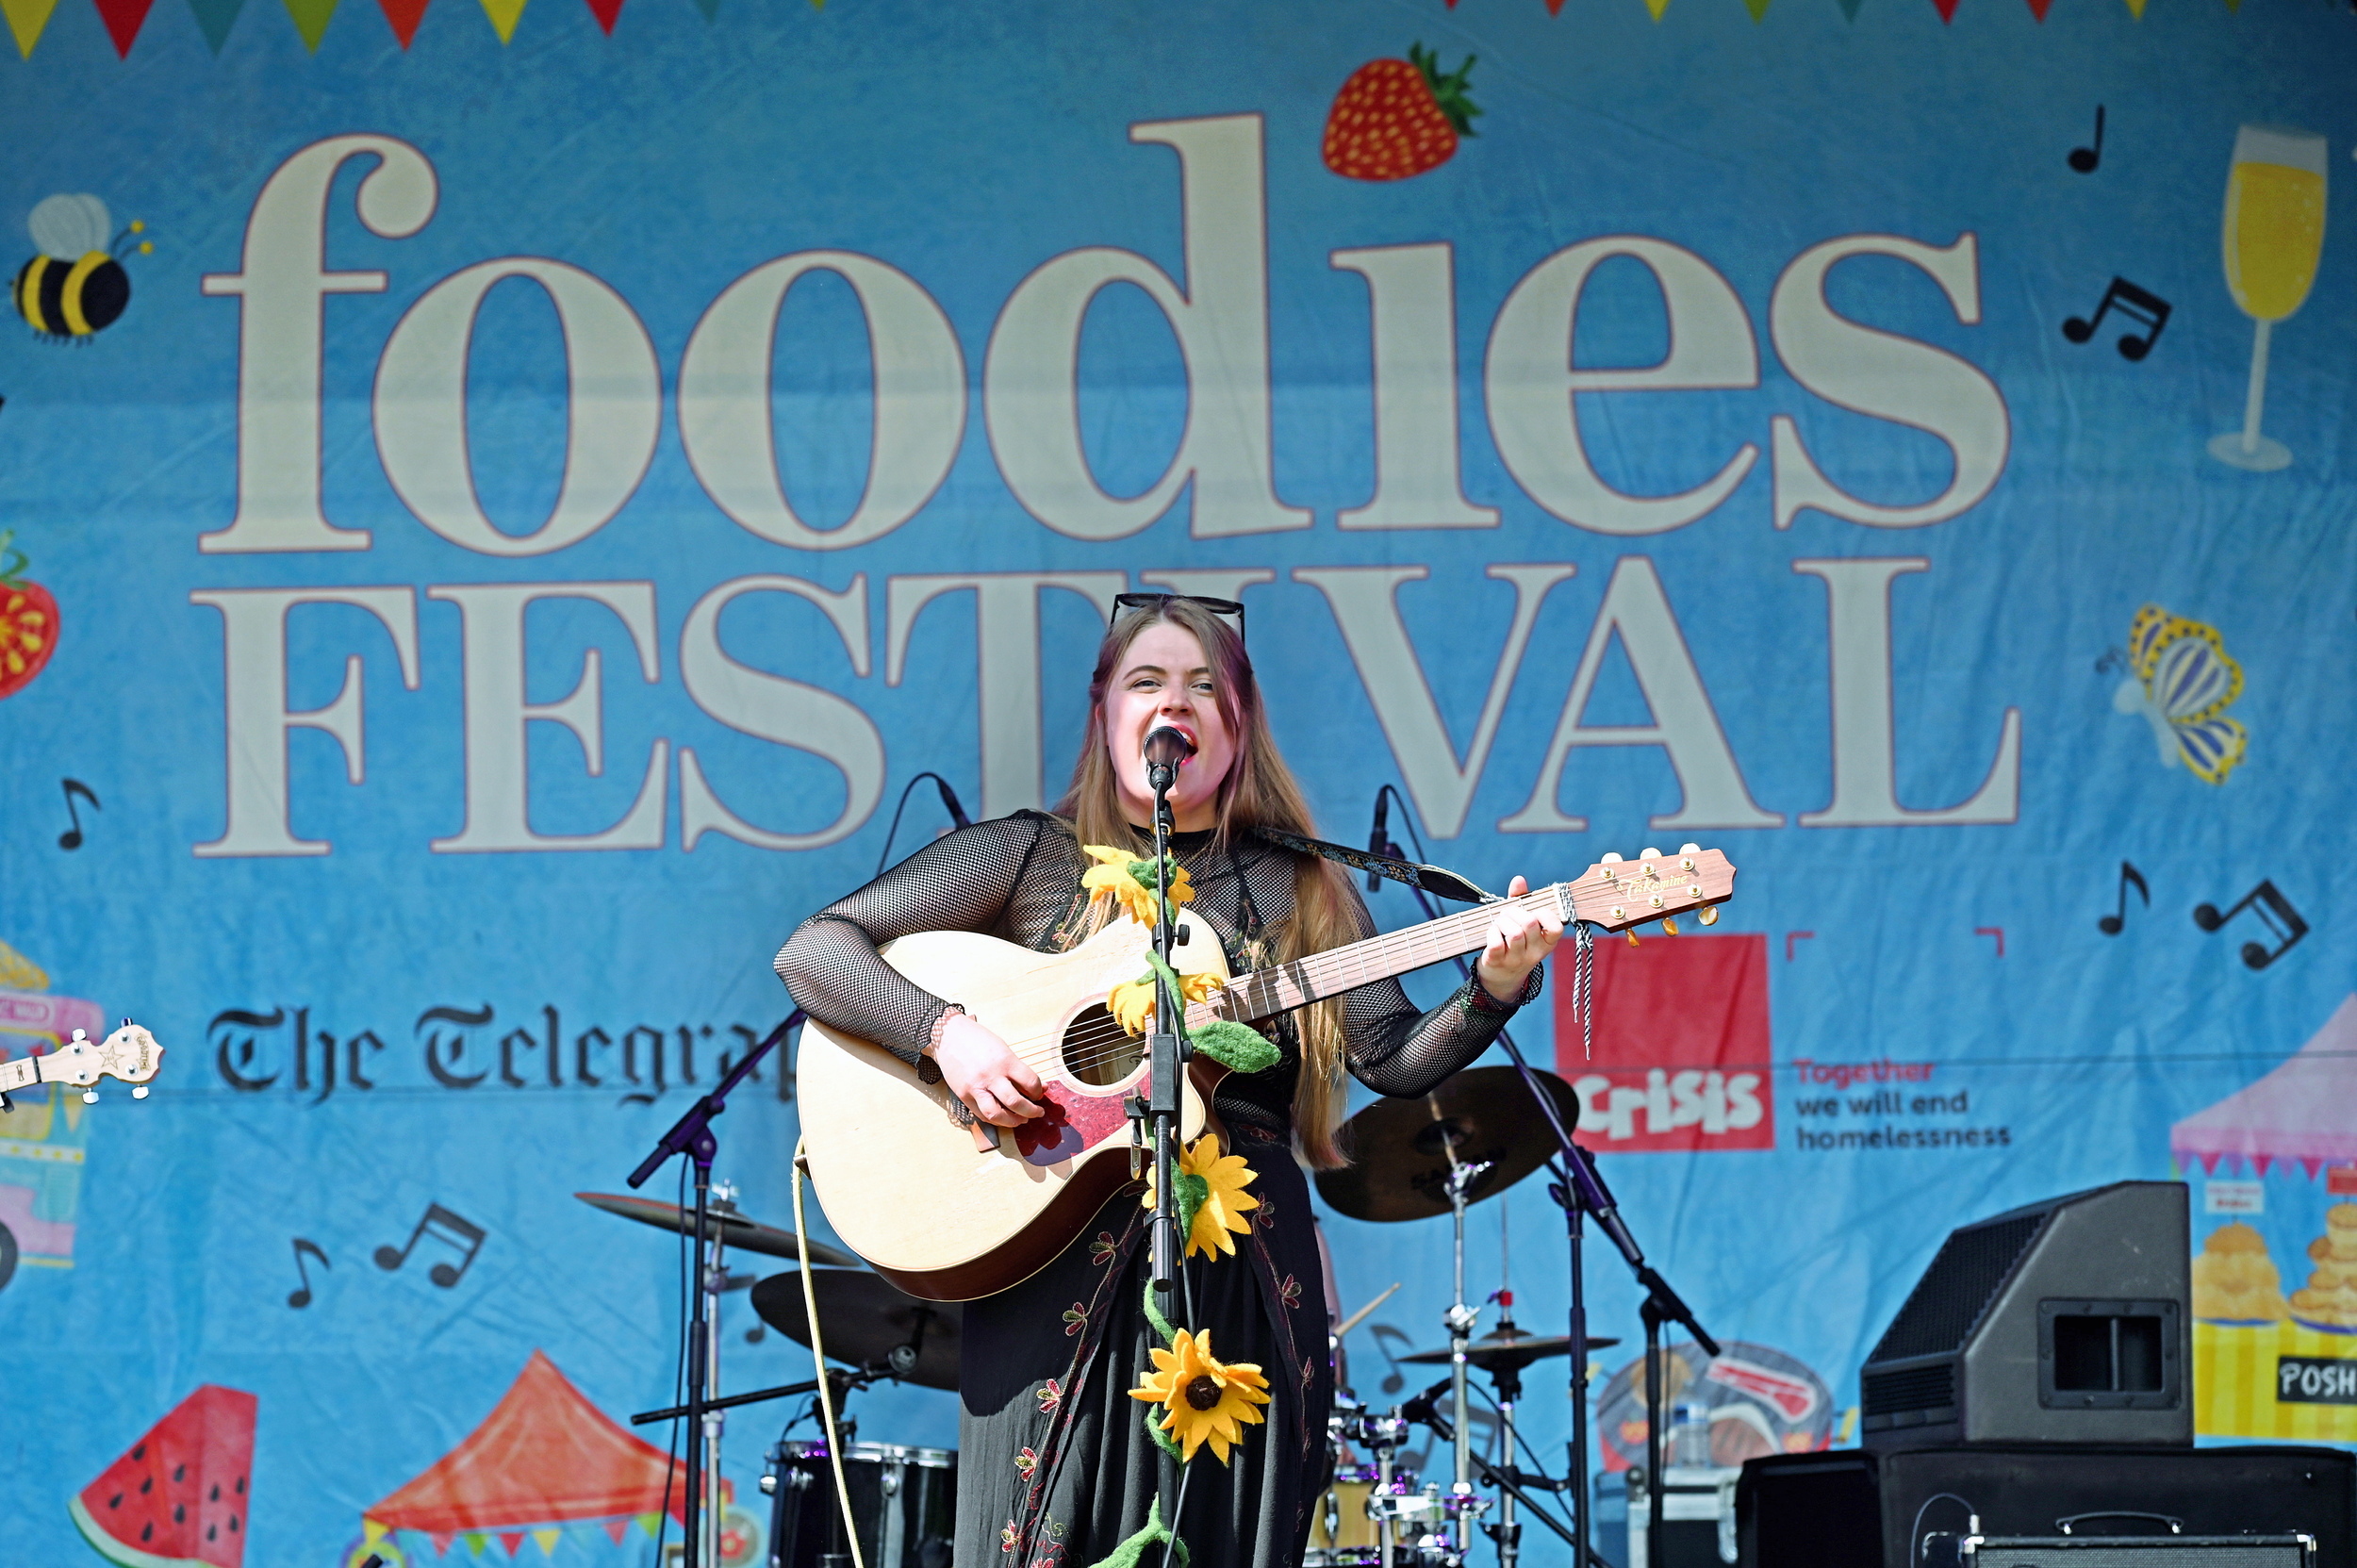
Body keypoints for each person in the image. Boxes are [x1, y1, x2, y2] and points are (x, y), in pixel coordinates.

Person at [775, 597, 1561, 1568]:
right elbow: (815, 951)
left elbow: (1393, 1057)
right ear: (1106, 712)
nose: (1172, 703)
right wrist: (948, 1035)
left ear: (1239, 722)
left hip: (1240, 1266)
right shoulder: (1030, 857)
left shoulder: (1299, 883)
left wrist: (1492, 988)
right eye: (1145, 681)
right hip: (1049, 1259)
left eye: (1202, 686)